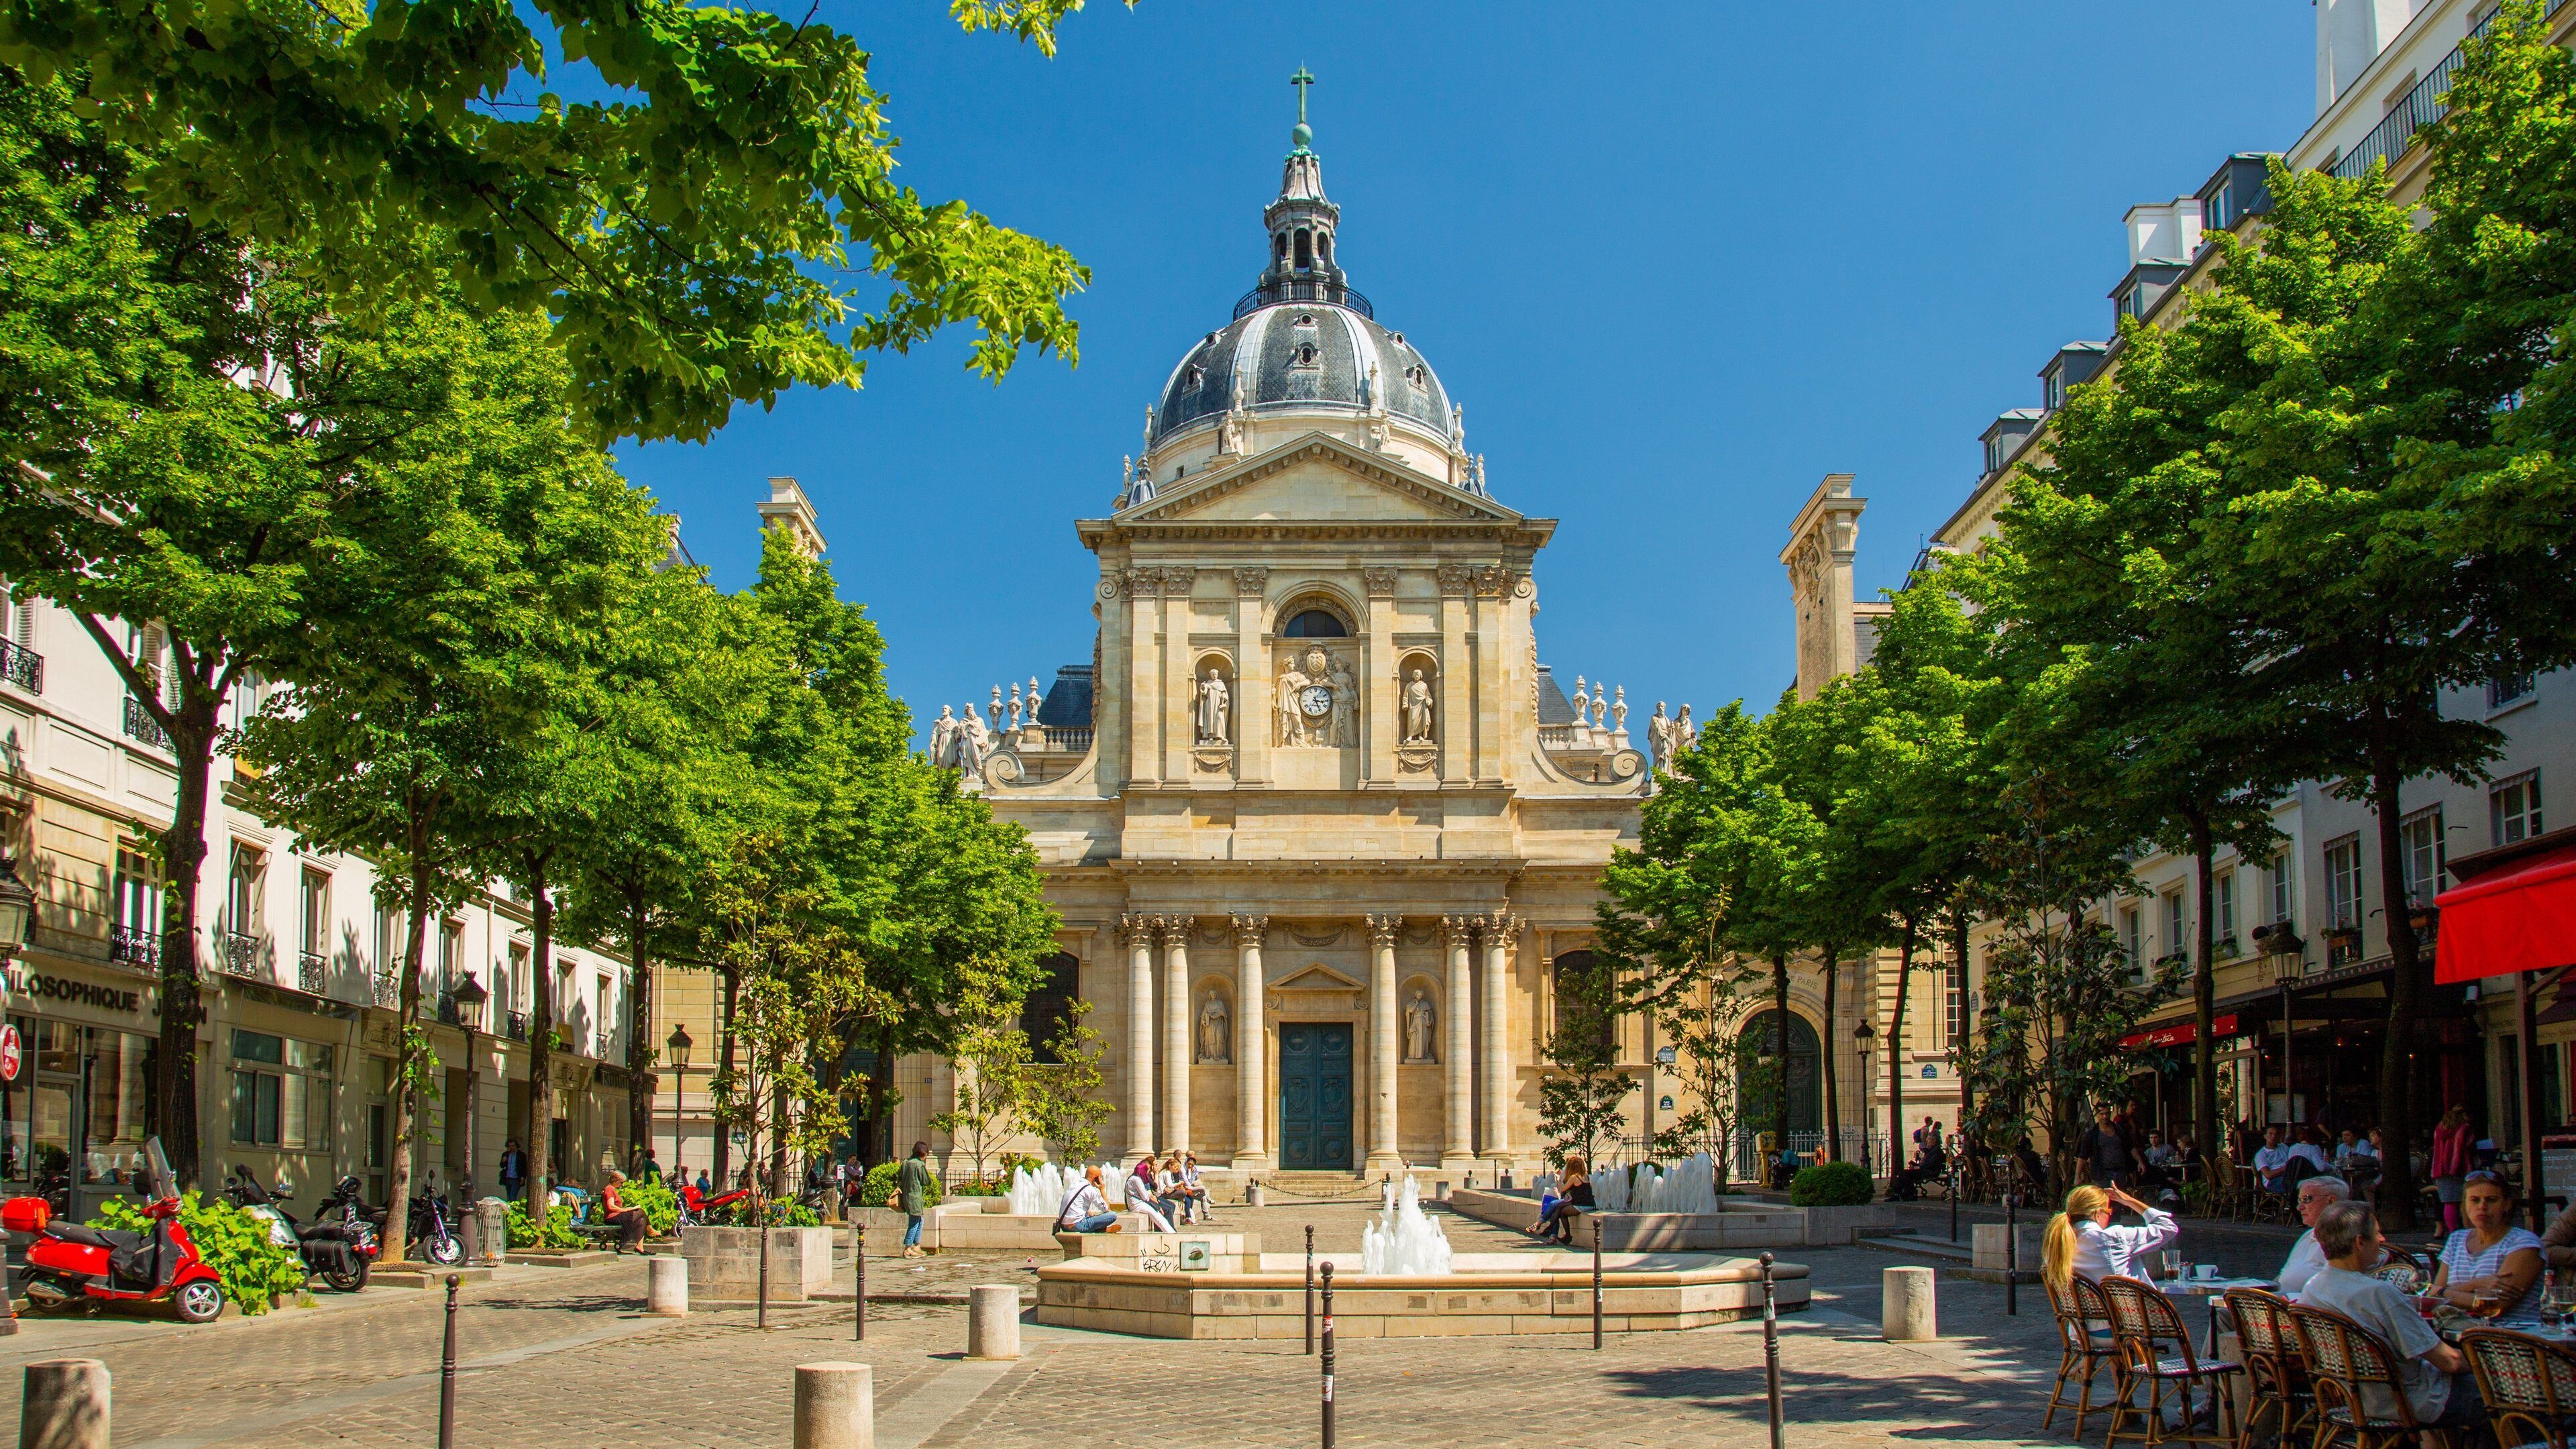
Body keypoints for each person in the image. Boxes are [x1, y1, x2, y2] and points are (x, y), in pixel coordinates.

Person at [2296, 1199, 2485, 1430]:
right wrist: (2492, 1365)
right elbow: (2449, 1362)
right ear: (2360, 1242)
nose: (2383, 1239)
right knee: (2515, 1399)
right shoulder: (2378, 1293)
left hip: (2357, 1401)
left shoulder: (2312, 1289)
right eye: (2378, 1233)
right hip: (2414, 1401)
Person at [2428, 1169, 2545, 1325]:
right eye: (2475, 1200)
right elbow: (2432, 1295)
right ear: (2465, 1204)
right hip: (2457, 1333)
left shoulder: (2524, 1243)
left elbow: (2495, 1304)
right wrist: (2477, 1284)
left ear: (2507, 1205)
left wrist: (2442, 1293)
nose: (2482, 1206)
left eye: (2491, 1200)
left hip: (2511, 1336)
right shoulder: (2457, 1239)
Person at [2043, 1183, 2180, 1288]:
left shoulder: (2058, 1244)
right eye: (2109, 1211)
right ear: (2098, 1214)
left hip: (2082, 1324)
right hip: (2125, 1321)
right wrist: (2129, 1201)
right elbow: (2168, 1228)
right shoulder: (2114, 1238)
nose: (2109, 1216)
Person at [2275, 1175, 2351, 1298]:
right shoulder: (2309, 1235)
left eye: (2306, 1199)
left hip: (2305, 1309)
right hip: (2280, 1303)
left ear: (2331, 1201)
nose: (2299, 1207)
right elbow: (2282, 1276)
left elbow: (2335, 1290)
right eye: (2299, 1201)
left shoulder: (2342, 1239)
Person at [2432, 1105, 2476, 1234]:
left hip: (2440, 1169)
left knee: (2449, 1202)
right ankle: (2469, 1230)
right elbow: (2470, 1146)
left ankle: (2452, 1231)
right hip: (2460, 1167)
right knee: (2466, 1199)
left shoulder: (2439, 1129)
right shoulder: (2465, 1129)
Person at [1531, 1157, 1593, 1243]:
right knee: (1559, 1207)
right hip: (1589, 1203)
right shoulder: (1585, 1176)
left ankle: (1557, 1231)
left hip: (1581, 1205)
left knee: (1562, 1212)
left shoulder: (1574, 1177)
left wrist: (1558, 1180)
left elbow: (1563, 1189)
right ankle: (1559, 1233)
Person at [892, 1140, 936, 1258]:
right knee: (915, 1222)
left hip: (906, 1196)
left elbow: (899, 1179)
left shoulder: (905, 1162)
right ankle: (908, 1248)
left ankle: (917, 1245)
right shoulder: (918, 1164)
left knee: (919, 1221)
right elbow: (927, 1181)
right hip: (915, 1197)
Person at [1056, 1165, 1119, 1234]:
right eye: (1100, 1178)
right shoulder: (1090, 1189)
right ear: (1096, 1178)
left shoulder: (1074, 1184)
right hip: (1078, 1225)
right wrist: (1102, 1189)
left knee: (1091, 1217)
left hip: (1063, 1226)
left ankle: (1098, 1229)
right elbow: (1107, 1209)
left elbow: (1080, 1206)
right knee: (1113, 1215)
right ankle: (1099, 1229)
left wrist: (1092, 1216)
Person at [598, 1170, 648, 1253]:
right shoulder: (609, 1189)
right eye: (621, 1182)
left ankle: (640, 1246)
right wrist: (625, 1210)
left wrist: (627, 1209)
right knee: (640, 1211)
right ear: (615, 1181)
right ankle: (650, 1229)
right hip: (612, 1217)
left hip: (617, 1215)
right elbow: (611, 1206)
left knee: (642, 1221)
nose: (622, 1185)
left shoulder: (612, 1189)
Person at [499, 1138, 529, 1203]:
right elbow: (502, 1166)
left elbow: (525, 1167)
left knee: (513, 1196)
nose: (512, 1148)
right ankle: (510, 1209)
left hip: (516, 1178)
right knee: (509, 1195)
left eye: (513, 1146)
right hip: (508, 1177)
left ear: (517, 1146)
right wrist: (503, 1161)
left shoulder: (522, 1155)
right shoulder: (506, 1154)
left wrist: (523, 1177)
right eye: (510, 1146)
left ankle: (511, 1209)